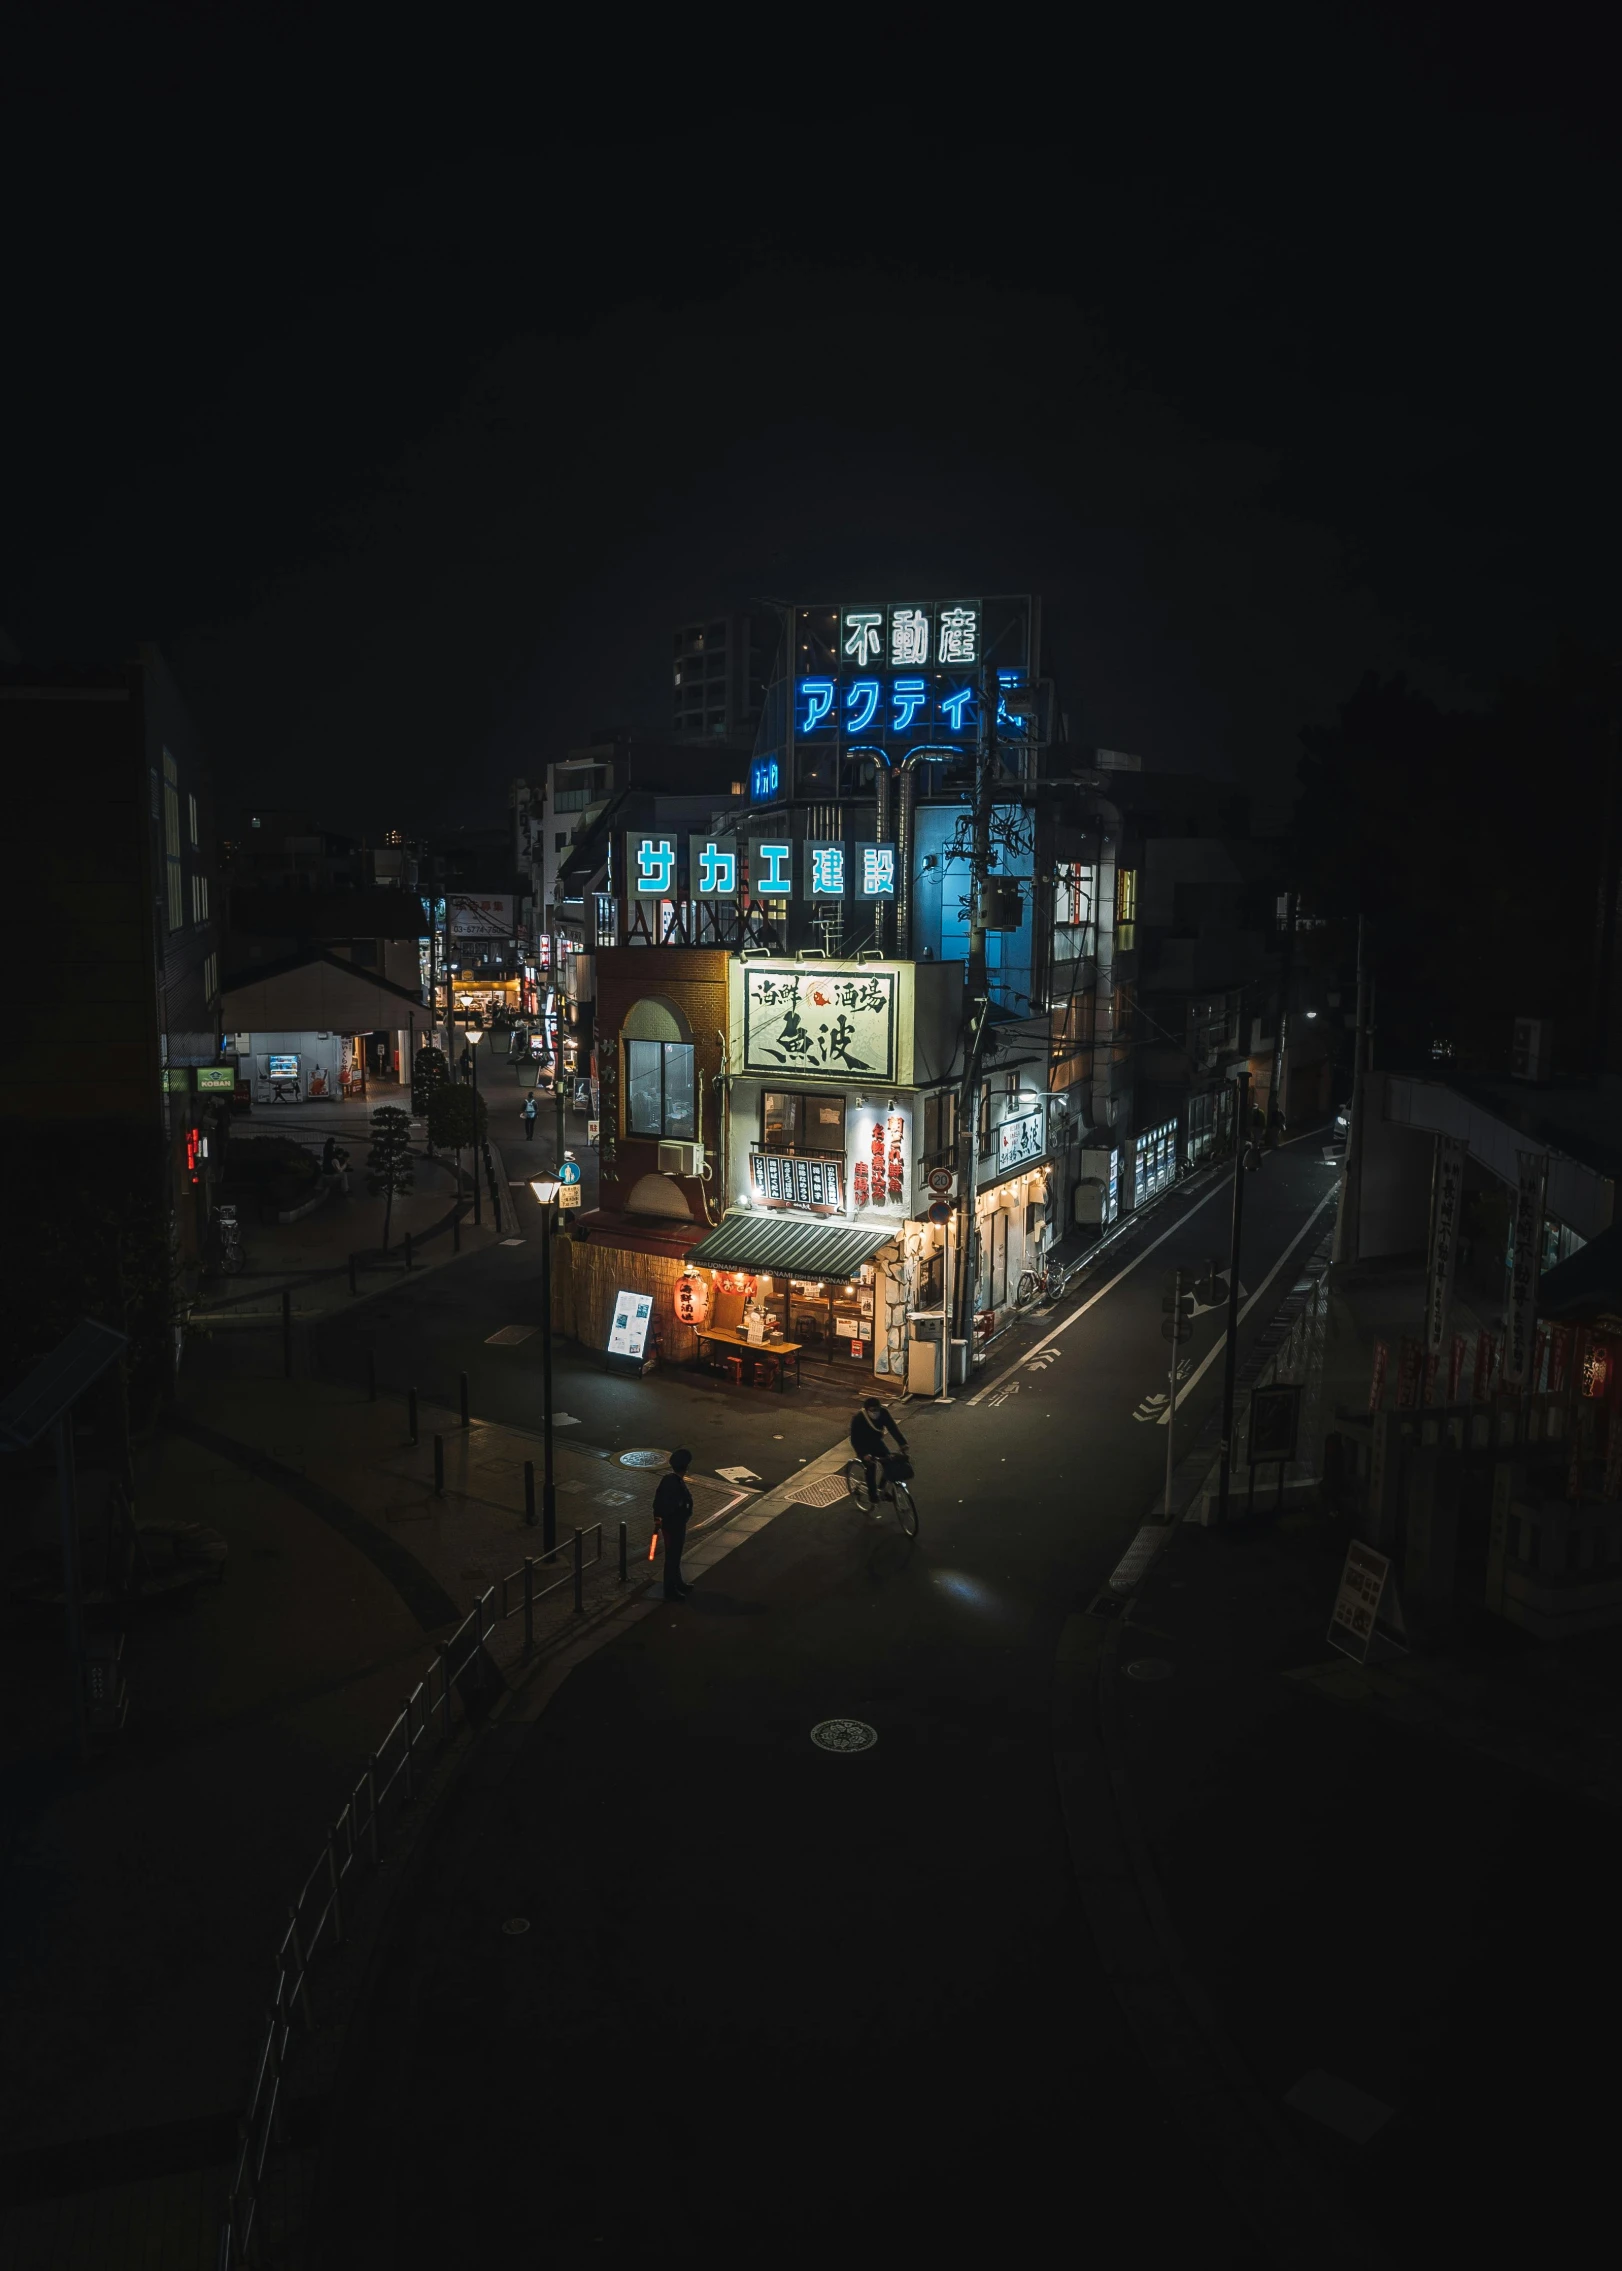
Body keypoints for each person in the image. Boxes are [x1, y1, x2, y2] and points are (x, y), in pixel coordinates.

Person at [850, 1396, 908, 1505]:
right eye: (873, 1410)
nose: (876, 1412)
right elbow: (854, 1439)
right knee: (871, 1468)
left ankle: (881, 1489)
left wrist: (902, 1443)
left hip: (877, 1443)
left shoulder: (884, 1413)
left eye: (877, 1409)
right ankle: (872, 1495)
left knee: (889, 1462)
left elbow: (892, 1428)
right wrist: (863, 1454)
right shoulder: (858, 1419)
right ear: (867, 1410)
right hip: (864, 1446)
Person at [654, 1448, 694, 1601]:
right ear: (685, 1467)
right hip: (673, 1527)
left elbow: (657, 1504)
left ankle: (677, 1582)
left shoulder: (668, 1480)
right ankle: (670, 1590)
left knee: (675, 1556)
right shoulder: (675, 1484)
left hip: (671, 1526)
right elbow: (676, 1506)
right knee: (672, 1557)